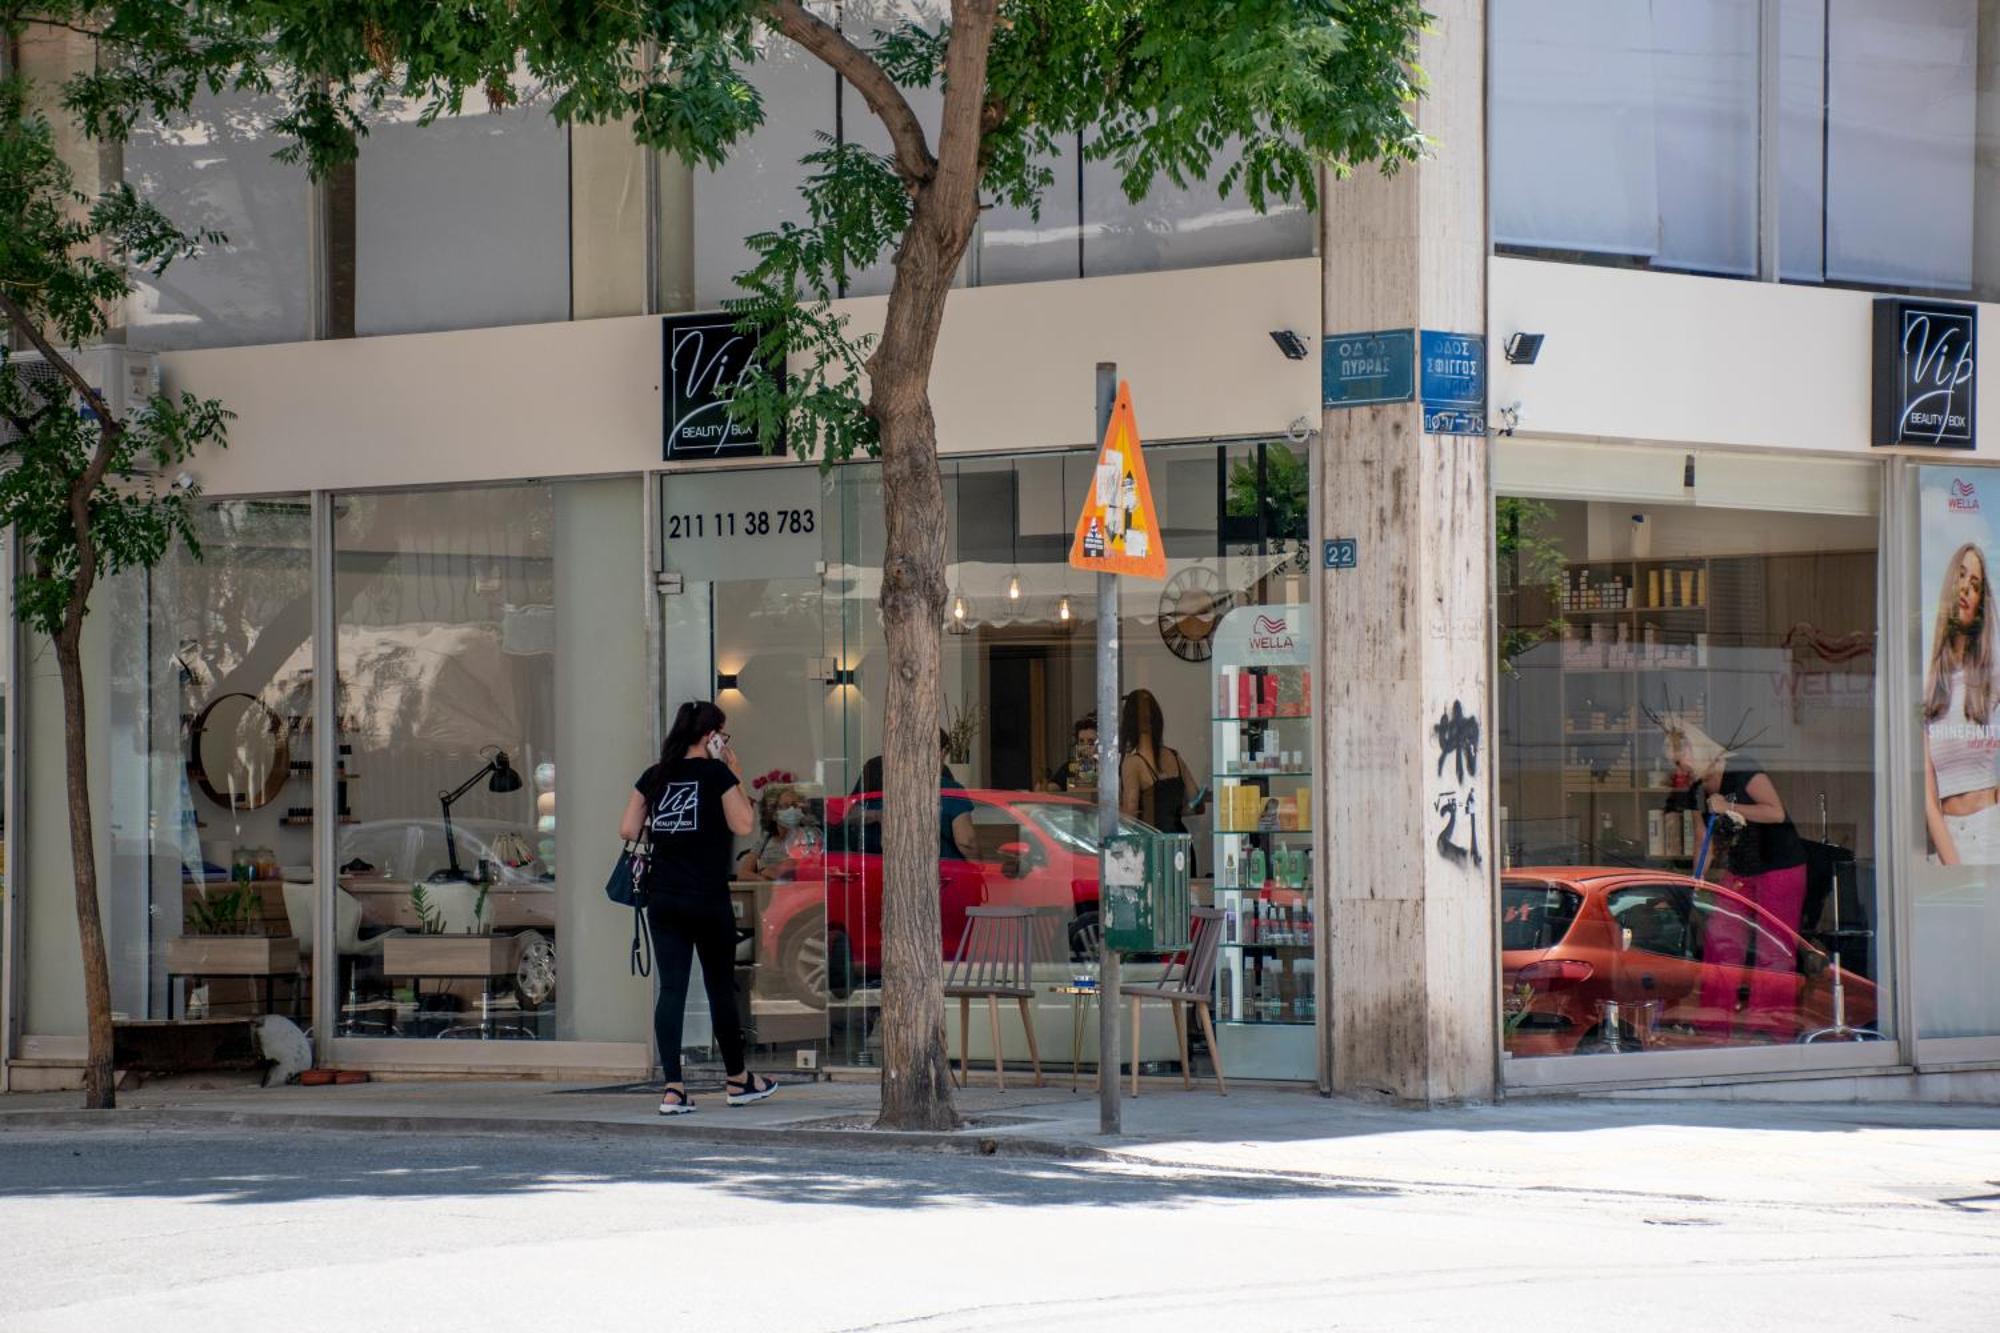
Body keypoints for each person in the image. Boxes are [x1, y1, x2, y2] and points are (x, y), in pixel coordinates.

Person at [620, 700, 777, 1115]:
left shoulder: (655, 776)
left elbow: (627, 828)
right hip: (707, 898)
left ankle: (673, 1089)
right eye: (722, 735)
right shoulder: (716, 773)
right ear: (711, 737)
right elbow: (744, 824)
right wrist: (736, 776)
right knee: (719, 988)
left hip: (664, 898)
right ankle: (738, 1079)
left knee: (670, 989)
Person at [1661, 714, 1808, 1032]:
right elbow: (1705, 839)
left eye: (1679, 760)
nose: (1678, 769)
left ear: (1694, 750)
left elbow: (1775, 812)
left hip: (1779, 865)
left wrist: (1730, 808)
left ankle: (1771, 1026)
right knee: (1720, 939)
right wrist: (1696, 881)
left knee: (1773, 948)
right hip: (1741, 867)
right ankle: (1715, 1022)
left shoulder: (1742, 768)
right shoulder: (1696, 788)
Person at [1923, 541, 2000, 866]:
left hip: (1991, 830)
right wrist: (1952, 864)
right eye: (1962, 576)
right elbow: (1928, 796)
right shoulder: (1927, 688)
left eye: (1976, 584)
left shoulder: (1991, 677)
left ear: (1981, 602)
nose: (1966, 589)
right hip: (1948, 837)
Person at [850, 728, 974, 860]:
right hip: (879, 860)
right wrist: (878, 815)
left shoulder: (944, 774)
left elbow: (960, 830)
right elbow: (849, 814)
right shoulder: (876, 768)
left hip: (935, 862)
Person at [1120, 688, 1201, 833]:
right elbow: (1196, 802)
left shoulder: (1133, 763)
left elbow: (1130, 816)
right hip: (1180, 841)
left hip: (1154, 844)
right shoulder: (1174, 757)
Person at [735, 782, 818, 882]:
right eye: (786, 806)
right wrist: (762, 877)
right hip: (767, 892)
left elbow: (797, 868)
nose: (793, 810)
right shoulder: (766, 838)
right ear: (773, 813)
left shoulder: (809, 836)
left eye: (795, 805)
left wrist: (768, 871)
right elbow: (743, 874)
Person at [1048, 714, 1099, 792]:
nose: (1084, 747)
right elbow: (1054, 786)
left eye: (1091, 742)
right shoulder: (1070, 767)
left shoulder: (1110, 769)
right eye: (1081, 742)